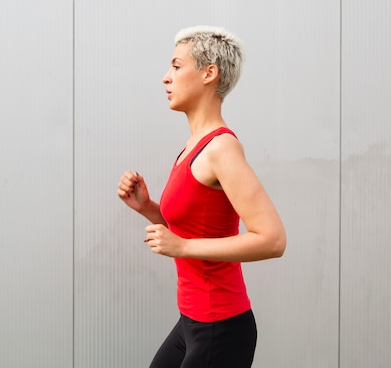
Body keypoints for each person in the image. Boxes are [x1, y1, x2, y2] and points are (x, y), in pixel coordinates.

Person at [117, 25, 286, 368]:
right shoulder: (191, 149)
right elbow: (197, 231)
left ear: (209, 73)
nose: (166, 78)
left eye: (177, 66)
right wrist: (149, 209)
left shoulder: (221, 148)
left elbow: (273, 240)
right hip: (191, 321)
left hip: (220, 327)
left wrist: (182, 248)